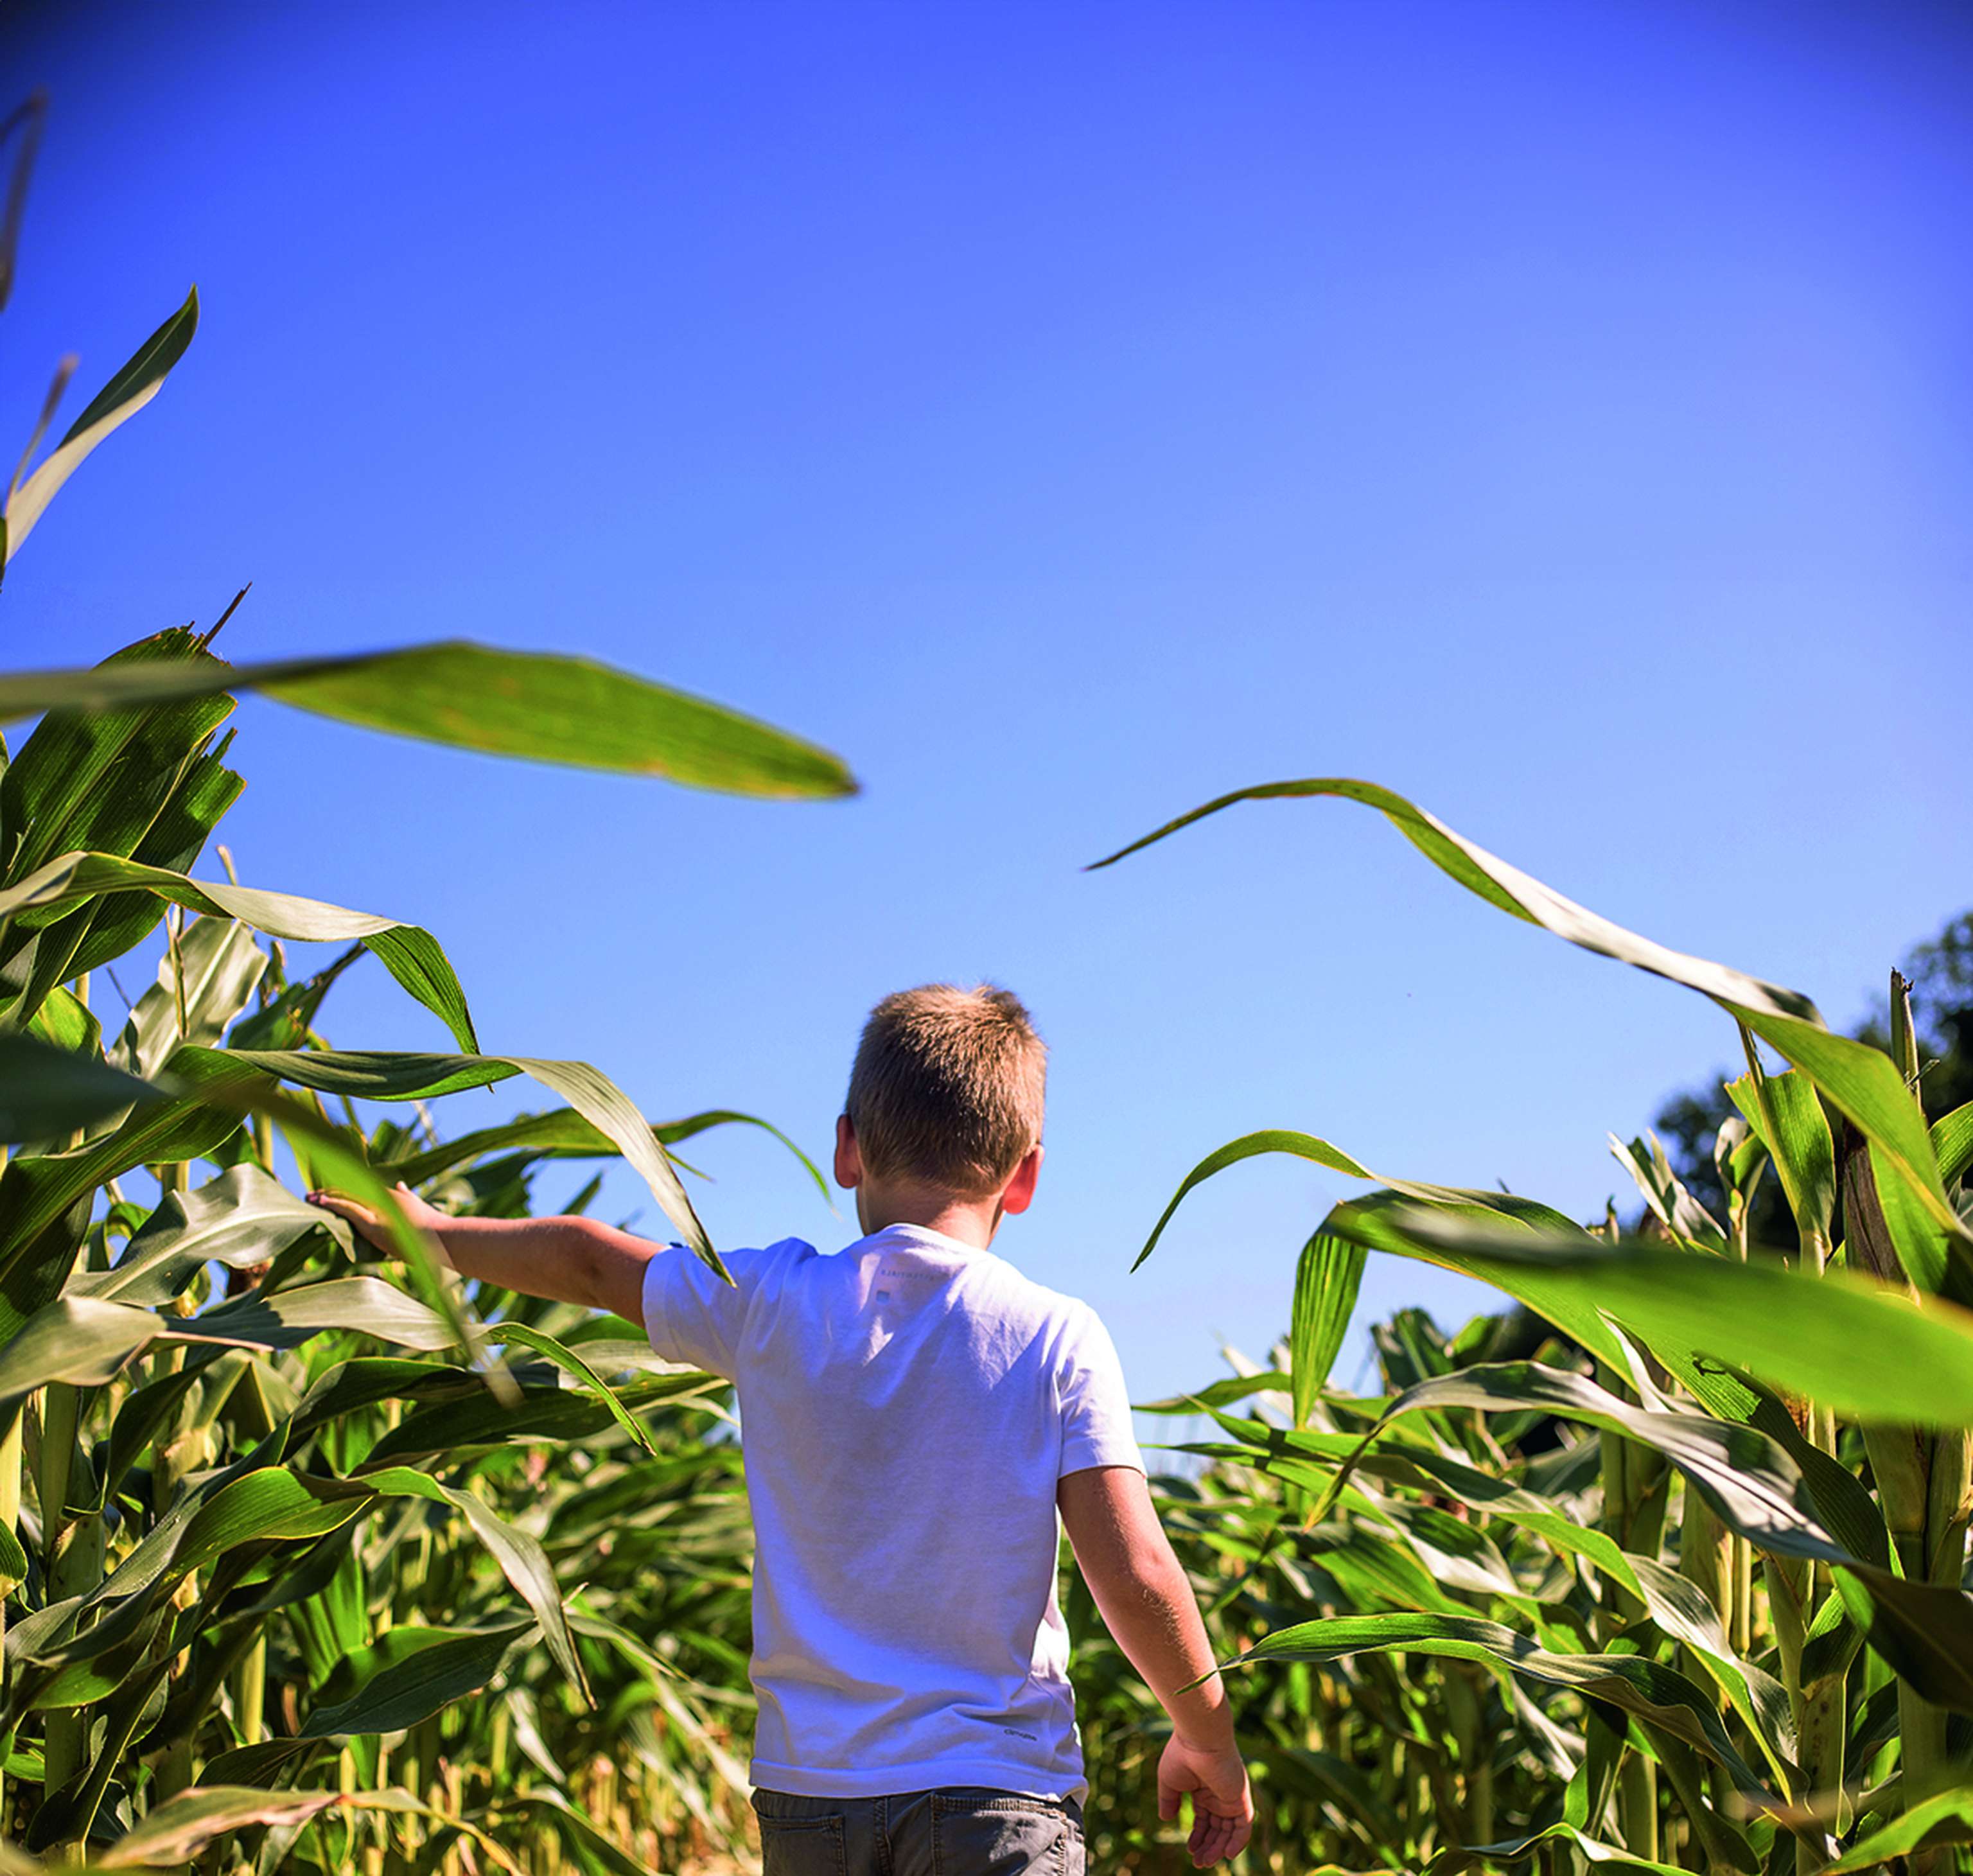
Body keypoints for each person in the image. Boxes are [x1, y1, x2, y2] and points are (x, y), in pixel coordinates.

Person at [310, 983, 1254, 1873]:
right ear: (1025, 1176)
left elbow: (589, 1262)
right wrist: (1206, 1737)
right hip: (993, 1792)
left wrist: (425, 1230)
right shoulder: (1056, 1336)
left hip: (813, 1796)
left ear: (848, 1149)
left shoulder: (770, 1300)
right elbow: (1134, 1573)